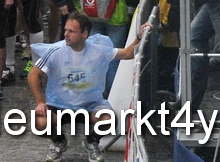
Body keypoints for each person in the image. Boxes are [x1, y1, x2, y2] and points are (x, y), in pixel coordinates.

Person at [29, 13, 141, 162]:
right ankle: (59, 142)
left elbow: (127, 54)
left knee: (108, 120)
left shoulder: (99, 50)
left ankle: (91, 142)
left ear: (85, 34)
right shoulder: (56, 51)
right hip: (59, 105)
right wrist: (40, 102)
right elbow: (33, 75)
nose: (66, 35)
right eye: (66, 30)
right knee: (40, 123)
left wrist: (139, 38)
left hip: (90, 106)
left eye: (72, 31)